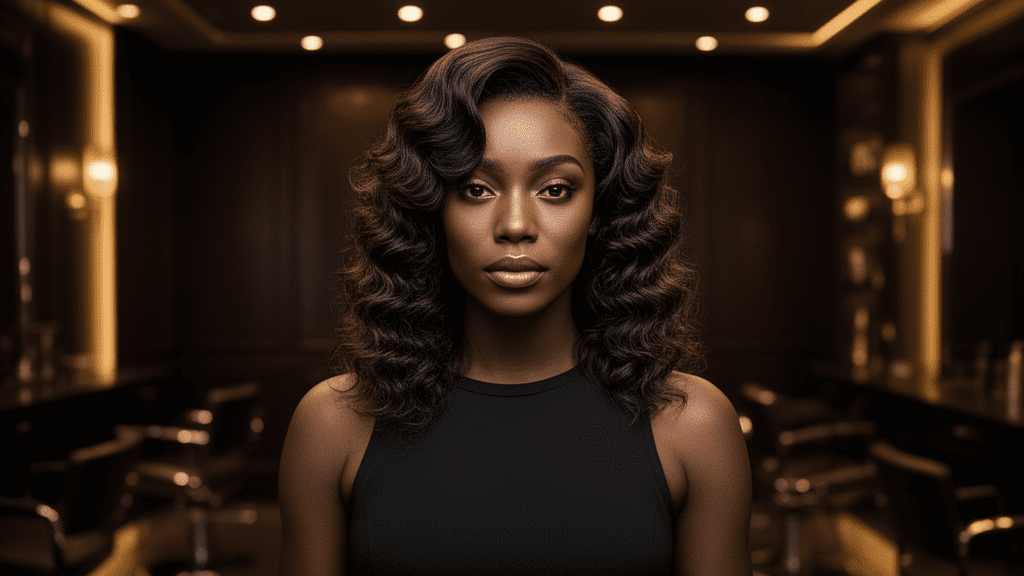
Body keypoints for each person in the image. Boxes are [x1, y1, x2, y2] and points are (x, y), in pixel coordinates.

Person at [279, 37, 751, 576]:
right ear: (432, 206)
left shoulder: (693, 426)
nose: (516, 225)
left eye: (555, 189)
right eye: (476, 189)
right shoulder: (333, 425)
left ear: (599, 208)